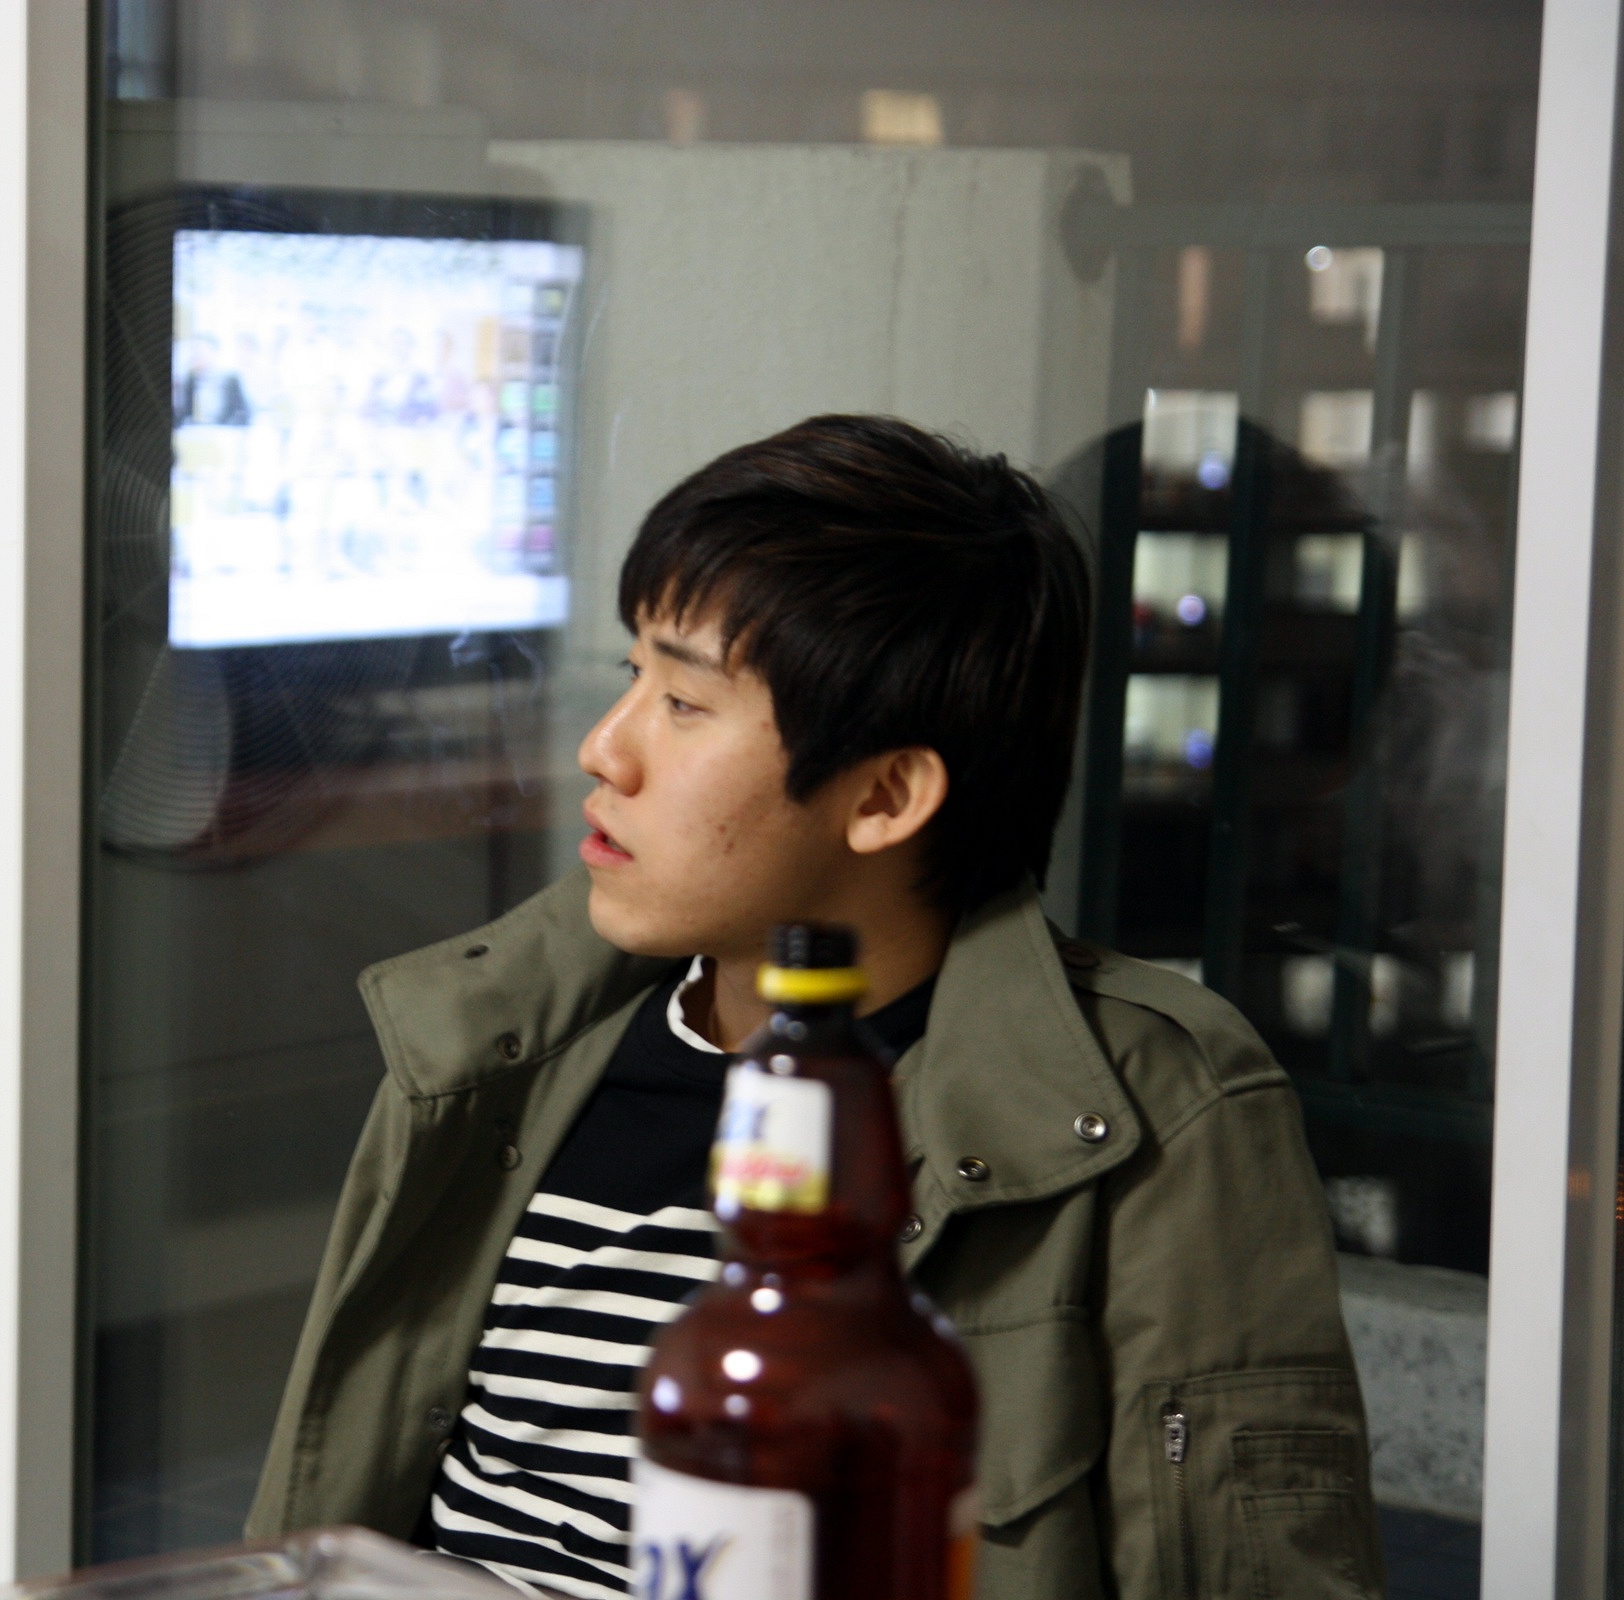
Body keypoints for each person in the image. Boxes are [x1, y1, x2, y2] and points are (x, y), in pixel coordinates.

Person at [246, 415, 1384, 1599]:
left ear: (884, 795)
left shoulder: (1159, 1109)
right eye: (632, 676)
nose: (604, 750)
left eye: (686, 704)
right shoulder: (493, 1041)